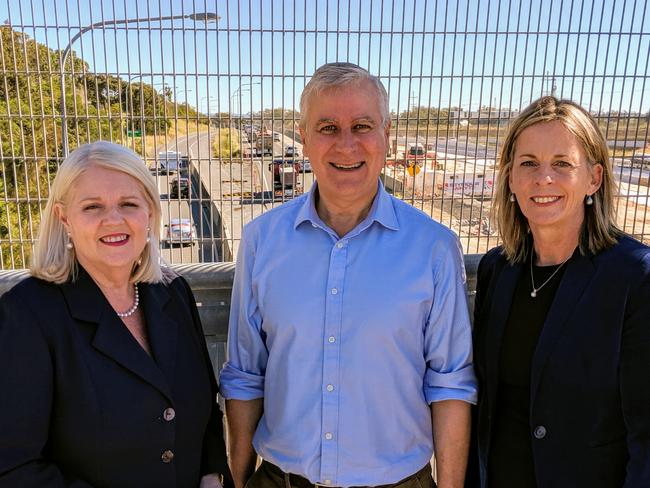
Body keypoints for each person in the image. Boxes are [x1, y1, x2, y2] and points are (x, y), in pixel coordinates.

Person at [220, 62, 477, 488]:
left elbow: (450, 385)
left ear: (386, 135)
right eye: (327, 127)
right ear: (303, 138)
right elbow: (245, 376)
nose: (346, 144)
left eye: (362, 126)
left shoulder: (433, 248)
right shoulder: (261, 241)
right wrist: (239, 480)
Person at [0, 141, 231, 488]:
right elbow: (14, 468)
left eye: (128, 203)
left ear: (149, 213)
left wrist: (212, 476)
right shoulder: (28, 314)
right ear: (64, 219)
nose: (114, 220)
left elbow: (204, 412)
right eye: (93, 207)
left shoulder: (172, 293)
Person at [467, 96, 650, 487]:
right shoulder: (497, 271)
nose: (543, 178)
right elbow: (484, 413)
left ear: (594, 179)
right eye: (528, 163)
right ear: (510, 178)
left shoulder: (635, 279)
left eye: (562, 164)